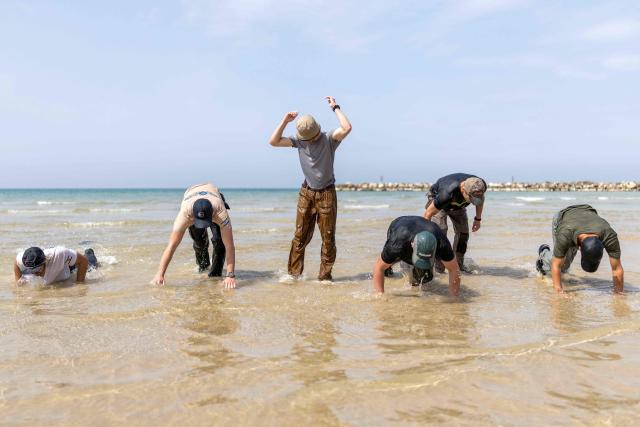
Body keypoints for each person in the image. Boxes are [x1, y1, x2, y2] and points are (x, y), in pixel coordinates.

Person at [268, 96, 352, 281]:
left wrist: (335, 107)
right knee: (299, 236)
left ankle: (325, 277)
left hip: (326, 194)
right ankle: (294, 276)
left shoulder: (329, 139)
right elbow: (273, 141)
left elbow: (347, 128)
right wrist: (284, 121)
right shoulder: (299, 142)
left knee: (328, 239)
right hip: (306, 193)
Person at [151, 183, 236, 288]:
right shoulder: (185, 214)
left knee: (220, 242)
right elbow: (171, 246)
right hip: (191, 195)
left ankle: (215, 276)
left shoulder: (220, 212)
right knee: (200, 242)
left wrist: (230, 275)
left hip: (214, 195)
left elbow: (229, 246)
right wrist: (160, 274)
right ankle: (203, 268)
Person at [536, 204, 624, 294]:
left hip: (586, 215)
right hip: (562, 218)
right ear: (580, 248)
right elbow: (556, 264)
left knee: (564, 269)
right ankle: (544, 253)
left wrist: (618, 294)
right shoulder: (565, 234)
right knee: (561, 265)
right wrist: (559, 292)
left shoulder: (609, 235)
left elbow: (616, 268)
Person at [372, 216, 461, 296]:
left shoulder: (442, 244)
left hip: (424, 228)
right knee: (387, 269)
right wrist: (379, 296)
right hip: (398, 226)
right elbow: (378, 267)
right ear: (412, 244)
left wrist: (454, 297)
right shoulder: (397, 245)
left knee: (425, 278)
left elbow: (454, 269)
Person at [423, 173, 486, 272]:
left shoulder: (480, 185)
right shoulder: (446, 193)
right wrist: (424, 233)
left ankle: (458, 266)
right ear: (464, 190)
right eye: (472, 199)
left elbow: (480, 201)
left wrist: (478, 219)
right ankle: (439, 269)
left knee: (463, 234)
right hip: (440, 204)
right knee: (440, 232)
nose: (474, 202)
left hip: (458, 206)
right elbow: (428, 213)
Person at [14, 246, 99, 285]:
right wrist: (18, 279)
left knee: (92, 266)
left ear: (45, 261)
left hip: (67, 267)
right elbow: (16, 264)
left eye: (37, 269)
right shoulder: (23, 259)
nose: (34, 273)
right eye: (31, 270)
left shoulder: (59, 254)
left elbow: (83, 261)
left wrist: (79, 283)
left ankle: (89, 251)